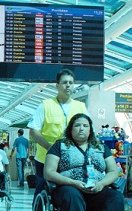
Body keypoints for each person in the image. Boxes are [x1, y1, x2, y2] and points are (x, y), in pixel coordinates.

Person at [44, 113, 127, 211]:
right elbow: (49, 172)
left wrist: (101, 184)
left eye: (85, 126)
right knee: (73, 195)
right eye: (77, 125)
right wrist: (73, 182)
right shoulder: (60, 146)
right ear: (70, 129)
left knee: (116, 198)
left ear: (90, 130)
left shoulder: (100, 147)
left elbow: (113, 171)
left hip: (95, 190)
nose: (81, 129)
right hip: (67, 189)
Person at [28, 69, 88, 202]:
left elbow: (90, 132)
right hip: (45, 159)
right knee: (42, 189)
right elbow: (33, 131)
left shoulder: (81, 107)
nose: (68, 86)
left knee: (74, 191)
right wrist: (51, 149)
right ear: (57, 85)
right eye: (64, 82)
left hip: (73, 160)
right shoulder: (45, 106)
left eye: (71, 83)